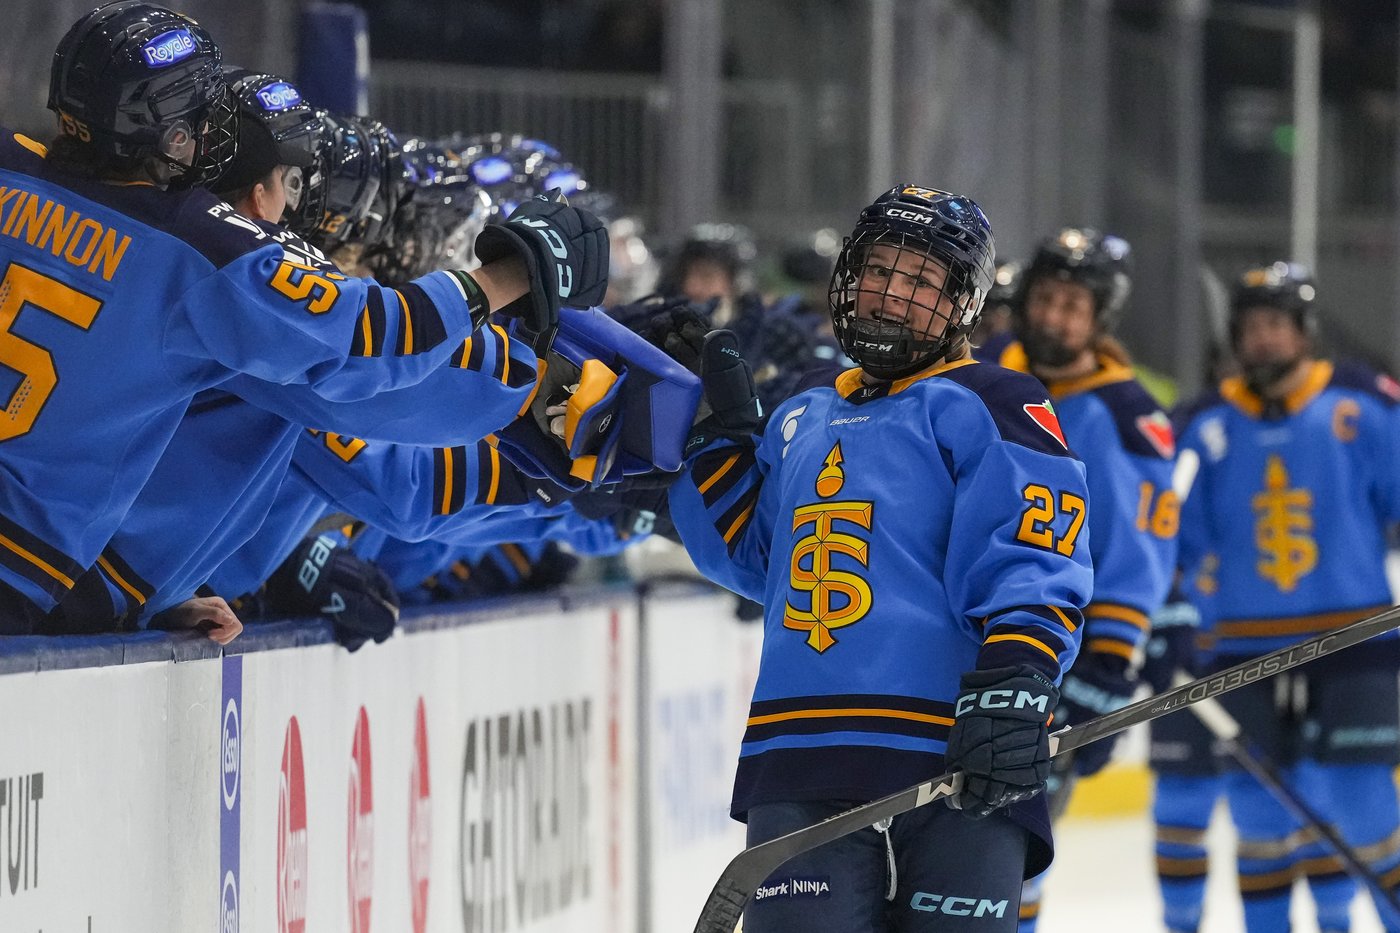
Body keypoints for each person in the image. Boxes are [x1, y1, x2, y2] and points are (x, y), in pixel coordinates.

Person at [1, 2, 607, 632]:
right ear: (174, 130)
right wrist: (509, 276)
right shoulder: (199, 250)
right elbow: (371, 344)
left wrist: (155, 591)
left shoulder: (9, 165)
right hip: (25, 569)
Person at [665, 185, 1092, 932]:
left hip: (959, 753)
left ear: (962, 303)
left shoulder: (991, 401)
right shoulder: (802, 409)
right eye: (880, 272)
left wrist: (1020, 675)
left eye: (922, 281)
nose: (893, 295)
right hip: (801, 756)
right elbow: (762, 561)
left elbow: (1034, 553)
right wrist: (709, 446)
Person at [1175, 262, 1400, 933]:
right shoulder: (1206, 421)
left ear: (1303, 331)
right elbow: (1176, 532)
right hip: (1243, 645)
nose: (1263, 339)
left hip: (1356, 638)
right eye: (1251, 327)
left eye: (1276, 324)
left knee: (1362, 800)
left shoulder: (1359, 402)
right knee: (1257, 811)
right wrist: (1176, 610)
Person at [976, 228, 1176, 931]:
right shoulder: (976, 371)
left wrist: (1109, 663)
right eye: (1046, 299)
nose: (1055, 318)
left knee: (1005, 845)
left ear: (1101, 318)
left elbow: (1135, 554)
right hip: (954, 637)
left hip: (1053, 660)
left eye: (1074, 306)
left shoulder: (1126, 415)